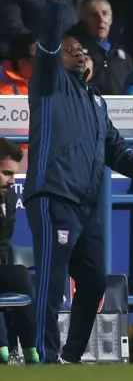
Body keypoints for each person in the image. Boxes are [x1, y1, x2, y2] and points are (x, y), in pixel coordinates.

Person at [24, 0, 133, 364]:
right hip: (54, 195)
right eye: (70, 50)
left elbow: (117, 151)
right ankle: (45, 359)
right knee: (53, 283)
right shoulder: (49, 85)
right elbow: (51, 40)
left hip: (87, 205)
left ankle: (70, 356)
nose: (78, 53)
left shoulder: (96, 103)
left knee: (92, 282)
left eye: (82, 50)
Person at [0, 139, 38, 365]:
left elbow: (4, 243)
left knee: (21, 277)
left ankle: (31, 350)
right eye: (6, 173)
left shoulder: (10, 198)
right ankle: (4, 350)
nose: (12, 181)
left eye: (13, 174)